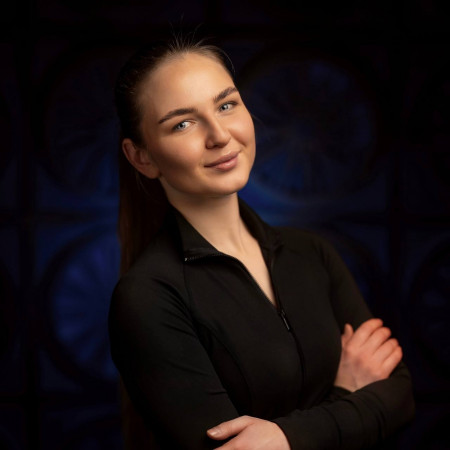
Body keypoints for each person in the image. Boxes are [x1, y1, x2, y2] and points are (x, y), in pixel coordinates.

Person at [108, 33, 415, 450]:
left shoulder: (312, 254)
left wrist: (284, 436)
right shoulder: (148, 298)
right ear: (142, 157)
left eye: (226, 105)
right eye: (183, 123)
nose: (219, 135)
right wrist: (347, 395)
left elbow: (400, 396)